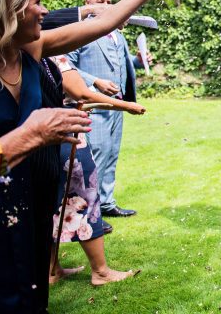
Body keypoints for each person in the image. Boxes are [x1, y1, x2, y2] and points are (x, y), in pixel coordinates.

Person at [0, 0, 180, 313]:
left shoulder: (30, 50)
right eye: (37, 3)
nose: (45, 10)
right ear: (9, 11)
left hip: (33, 209)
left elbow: (103, 22)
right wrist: (30, 135)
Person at [46, 54, 145, 286]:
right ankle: (101, 272)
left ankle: (51, 270)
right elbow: (81, 93)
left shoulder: (31, 56)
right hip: (68, 139)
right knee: (85, 198)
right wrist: (126, 105)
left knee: (50, 203)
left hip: (48, 137)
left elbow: (74, 100)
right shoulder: (57, 58)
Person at [66, 0, 147, 219]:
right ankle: (91, 212)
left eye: (109, 2)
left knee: (111, 153)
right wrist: (95, 81)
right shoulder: (79, 31)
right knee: (97, 156)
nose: (106, 6)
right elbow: (64, 65)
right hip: (94, 106)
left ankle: (107, 203)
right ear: (87, 3)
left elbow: (122, 62)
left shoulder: (116, 33)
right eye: (100, 2)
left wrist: (139, 61)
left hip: (118, 106)